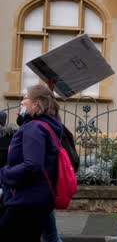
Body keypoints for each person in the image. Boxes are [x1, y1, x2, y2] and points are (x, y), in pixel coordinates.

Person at [0, 84, 63, 241]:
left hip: (26, 201)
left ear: (36, 103)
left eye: (25, 98)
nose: (21, 102)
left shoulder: (34, 128)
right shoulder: (44, 125)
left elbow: (32, 166)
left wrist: (4, 173)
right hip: (36, 199)